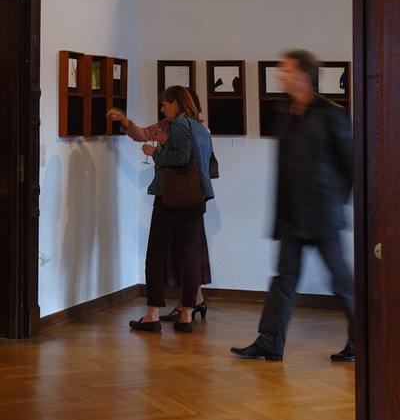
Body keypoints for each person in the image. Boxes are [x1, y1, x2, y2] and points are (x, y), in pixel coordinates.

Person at [230, 49, 355, 362]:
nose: (280, 76)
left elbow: (351, 166)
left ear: (304, 76)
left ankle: (364, 341)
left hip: (323, 215)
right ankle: (270, 343)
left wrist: (333, 202)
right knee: (284, 279)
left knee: (341, 282)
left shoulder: (331, 113)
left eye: (286, 71)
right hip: (291, 215)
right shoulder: (285, 111)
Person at [107, 89, 210, 322]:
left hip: (173, 196)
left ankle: (154, 314)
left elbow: (182, 157)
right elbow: (143, 133)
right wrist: (125, 121)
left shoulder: (180, 126)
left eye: (165, 105)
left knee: (158, 255)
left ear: (177, 104)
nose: (162, 109)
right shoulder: (195, 127)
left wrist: (157, 151)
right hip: (196, 198)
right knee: (189, 256)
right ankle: (188, 311)